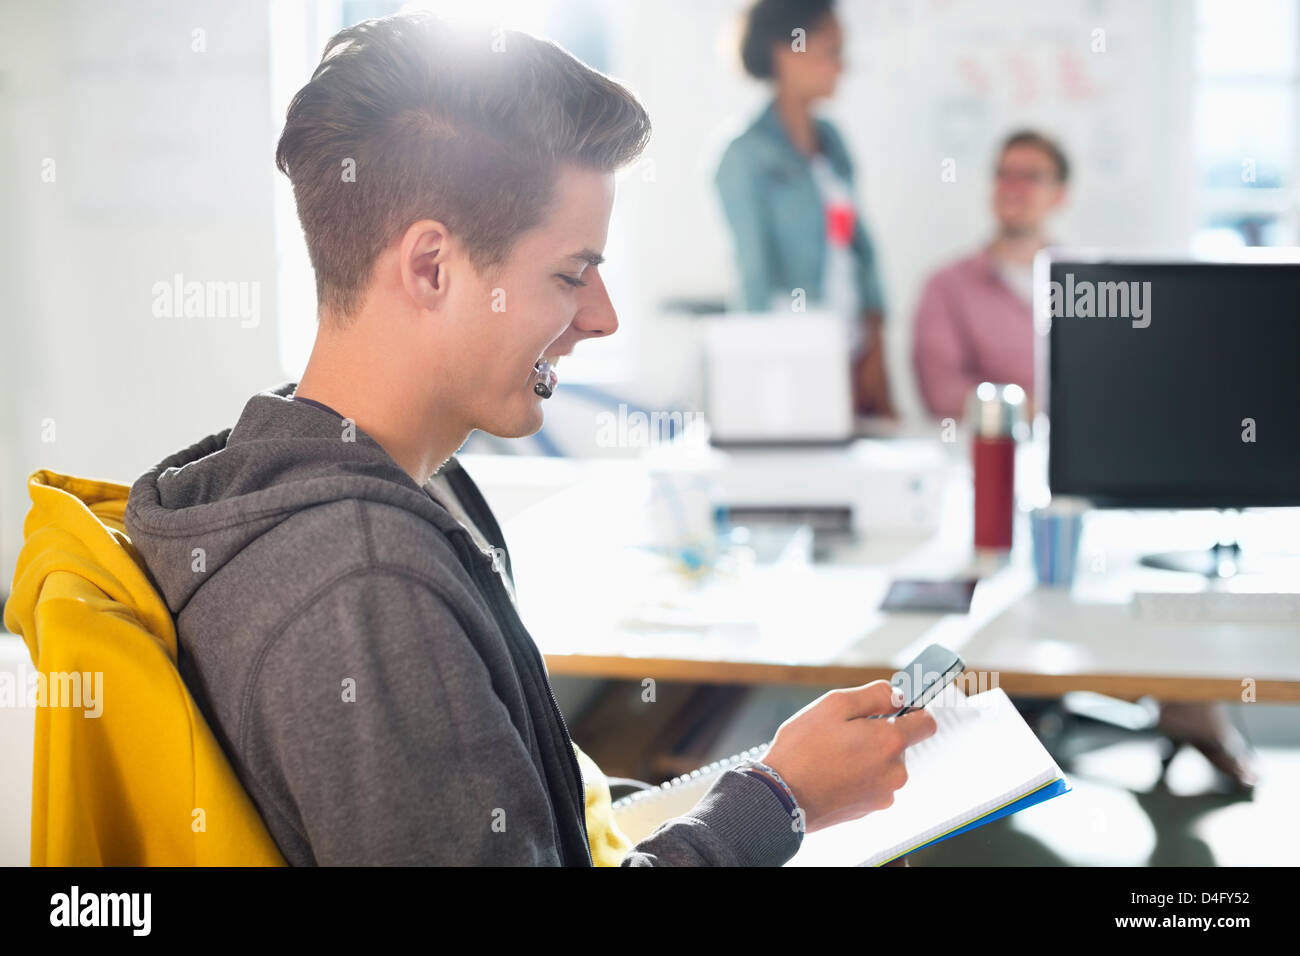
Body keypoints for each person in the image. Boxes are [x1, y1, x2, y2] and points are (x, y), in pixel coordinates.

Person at [123, 12, 936, 866]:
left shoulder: (372, 483)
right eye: (569, 274)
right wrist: (780, 802)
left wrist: (756, 791)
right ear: (431, 266)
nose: (603, 316)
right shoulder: (369, 587)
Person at [715, 0, 895, 417]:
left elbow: (855, 246)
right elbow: (753, 272)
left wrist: (875, 341)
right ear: (786, 50)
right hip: (794, 352)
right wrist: (756, 382)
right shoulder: (743, 156)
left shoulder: (832, 141)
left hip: (854, 349)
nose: (841, 66)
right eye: (831, 51)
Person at [912, 130, 1070, 421]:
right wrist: (1036, 411)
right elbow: (942, 393)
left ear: (1059, 195)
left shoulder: (1088, 286)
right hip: (987, 451)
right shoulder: (945, 287)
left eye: (1031, 177)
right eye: (1004, 174)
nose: (1013, 187)